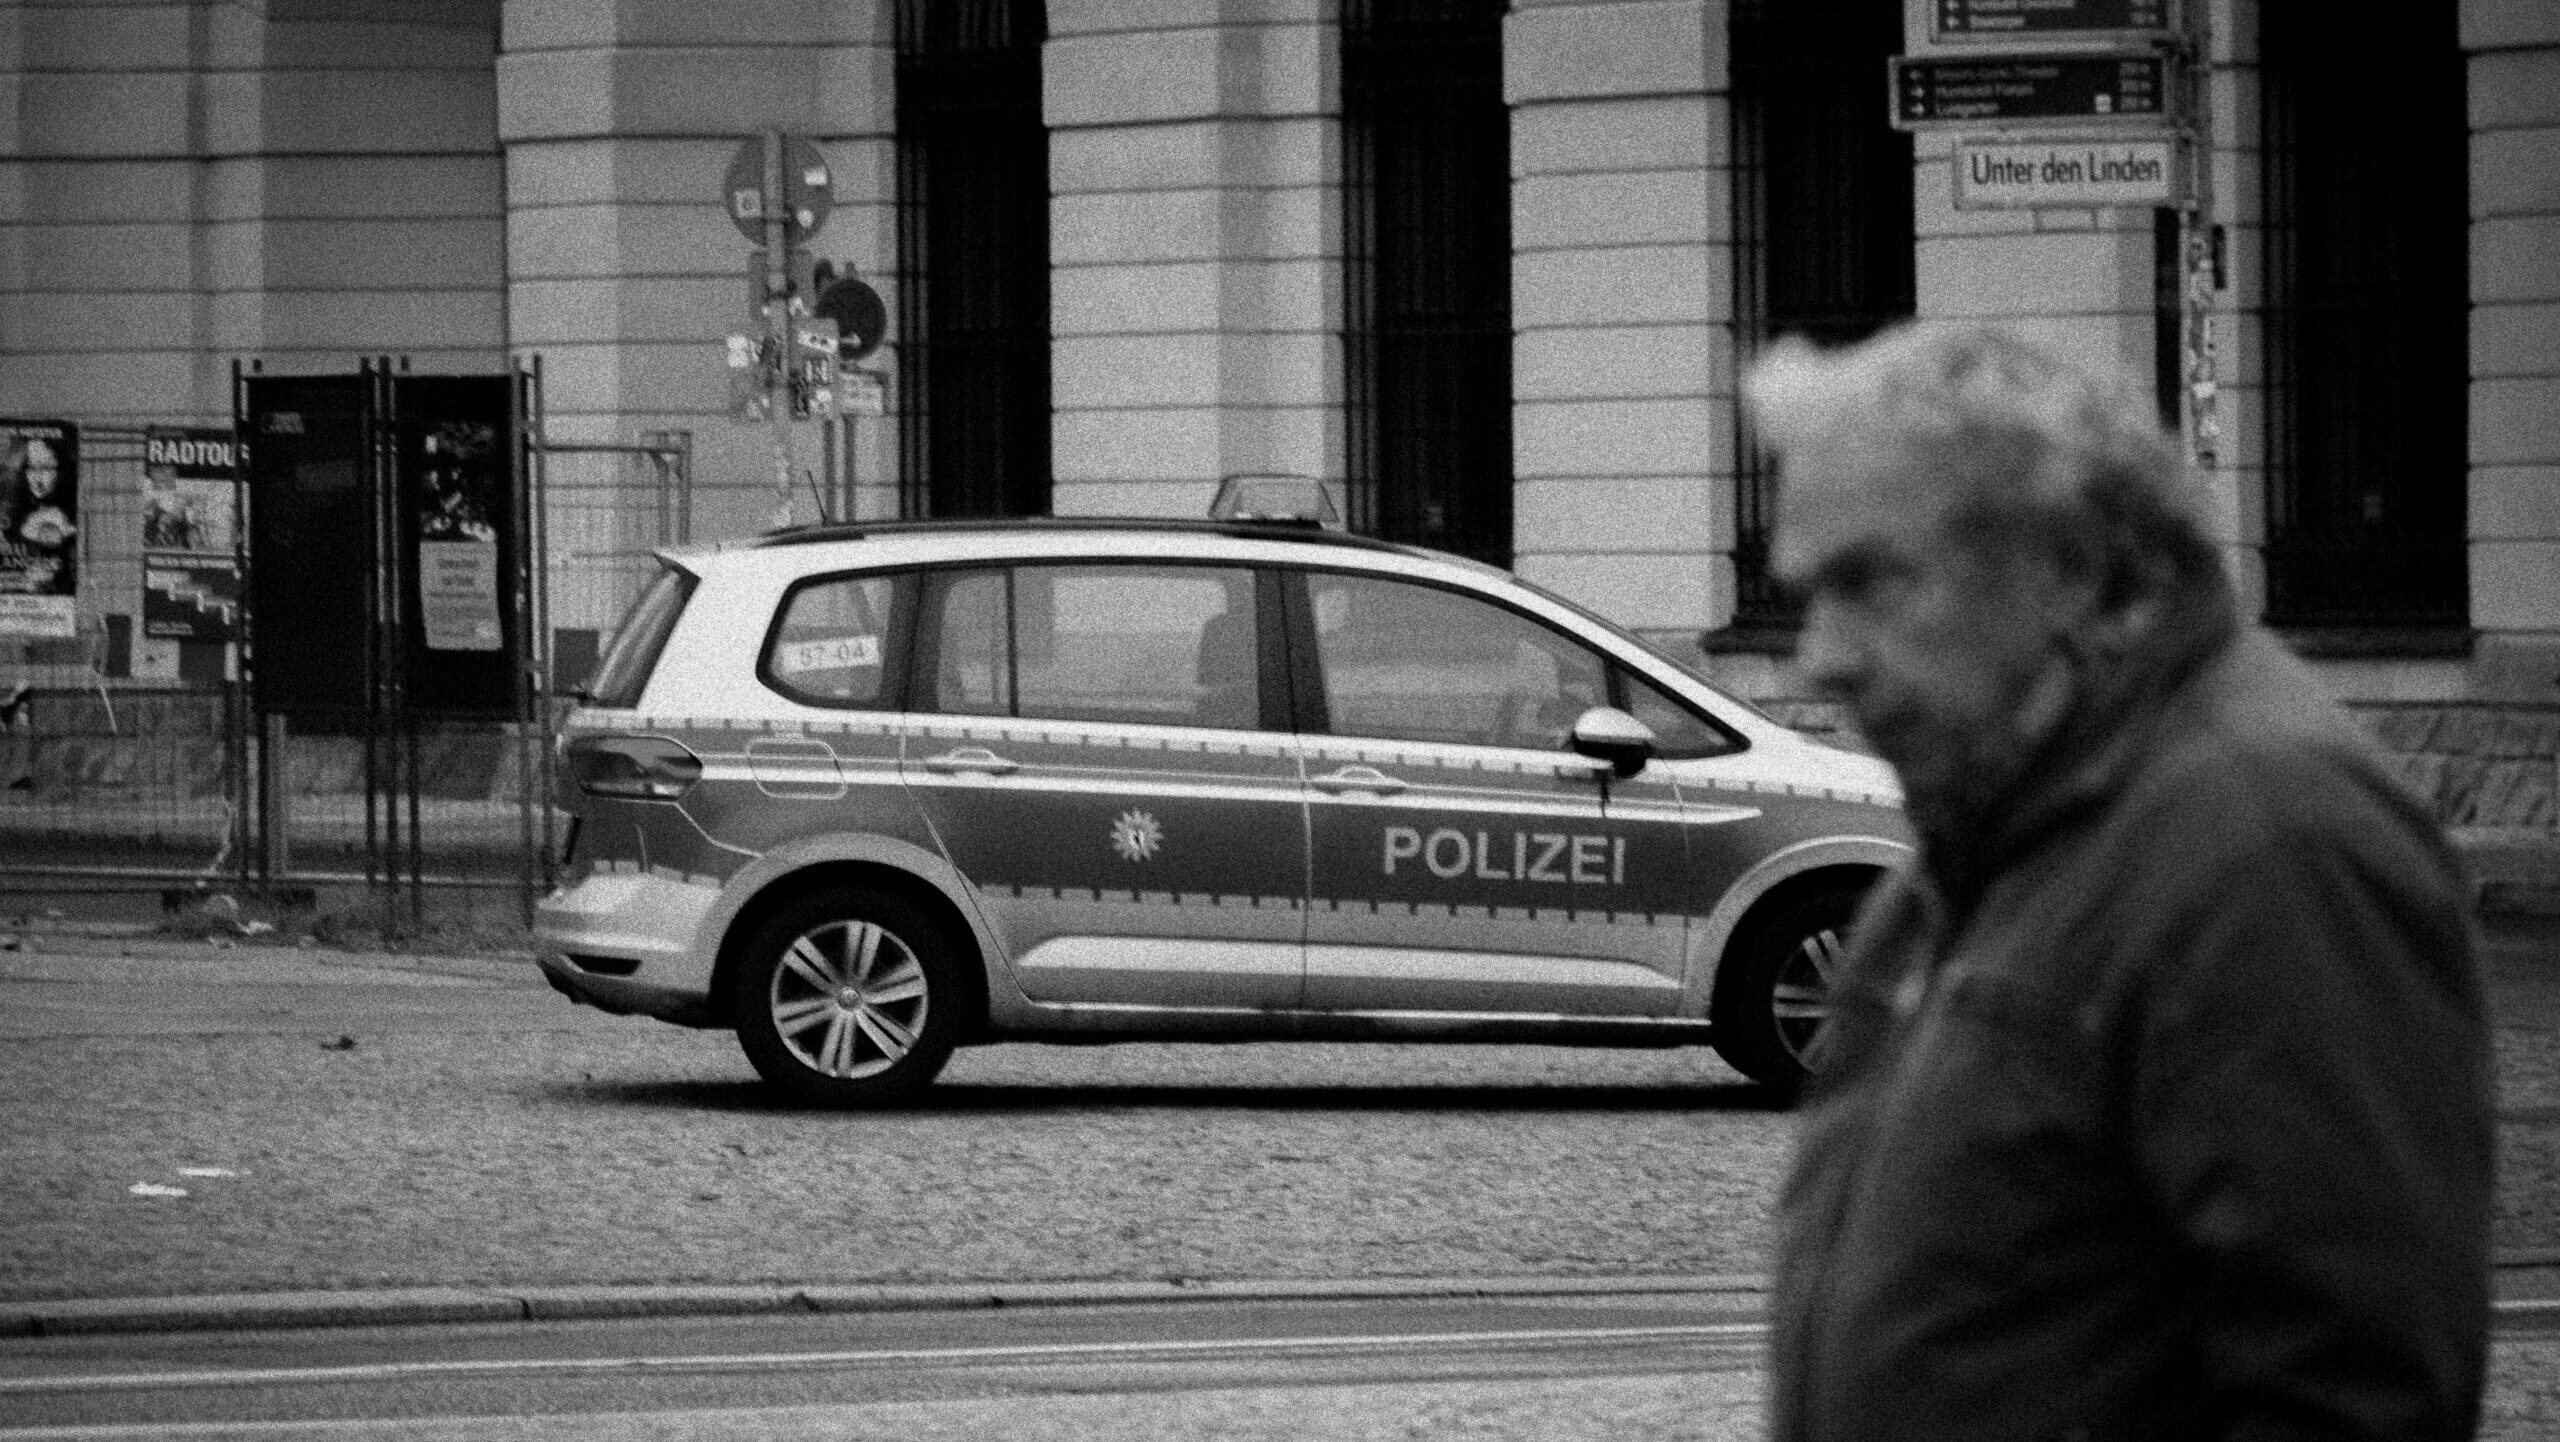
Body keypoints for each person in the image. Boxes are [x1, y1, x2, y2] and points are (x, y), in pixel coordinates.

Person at [1750, 324, 2492, 1441]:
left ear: (2073, 568)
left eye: (1868, 581)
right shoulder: (1992, 824)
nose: (1821, 656)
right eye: (1808, 594)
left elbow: (2347, 1398)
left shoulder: (2270, 841)